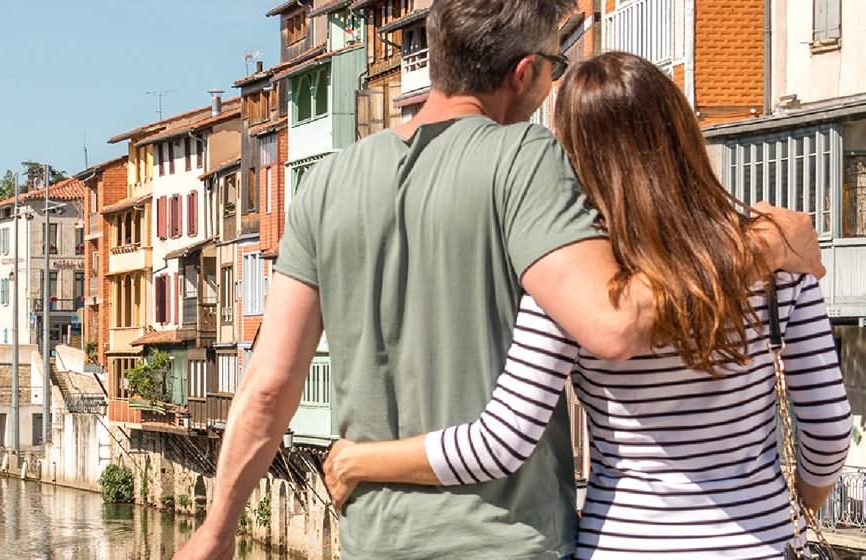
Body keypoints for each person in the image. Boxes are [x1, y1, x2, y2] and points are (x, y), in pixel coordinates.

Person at [174, 0, 825, 557]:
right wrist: (754, 246)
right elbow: (613, 324)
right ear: (524, 72)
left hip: (373, 537)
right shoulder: (526, 160)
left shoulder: (323, 185)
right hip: (510, 539)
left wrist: (219, 526)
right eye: (554, 68)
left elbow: (268, 387)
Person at [321, 51, 852, 558]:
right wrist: (785, 508)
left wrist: (360, 459)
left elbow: (502, 442)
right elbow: (828, 431)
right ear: (681, 132)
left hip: (622, 543)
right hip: (756, 541)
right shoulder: (775, 258)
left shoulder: (577, 285)